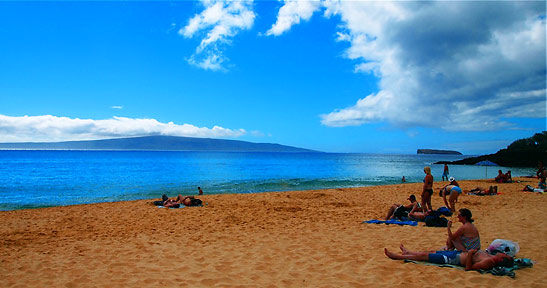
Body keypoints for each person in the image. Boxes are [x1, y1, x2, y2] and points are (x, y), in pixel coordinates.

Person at [384, 245, 513, 271]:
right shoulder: (491, 255)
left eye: (504, 255)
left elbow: (469, 268)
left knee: (425, 257)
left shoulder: (489, 261)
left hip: (453, 260)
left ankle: (398, 257)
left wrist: (469, 254)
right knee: (432, 251)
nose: (502, 253)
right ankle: (409, 251)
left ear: (501, 259)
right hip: (456, 254)